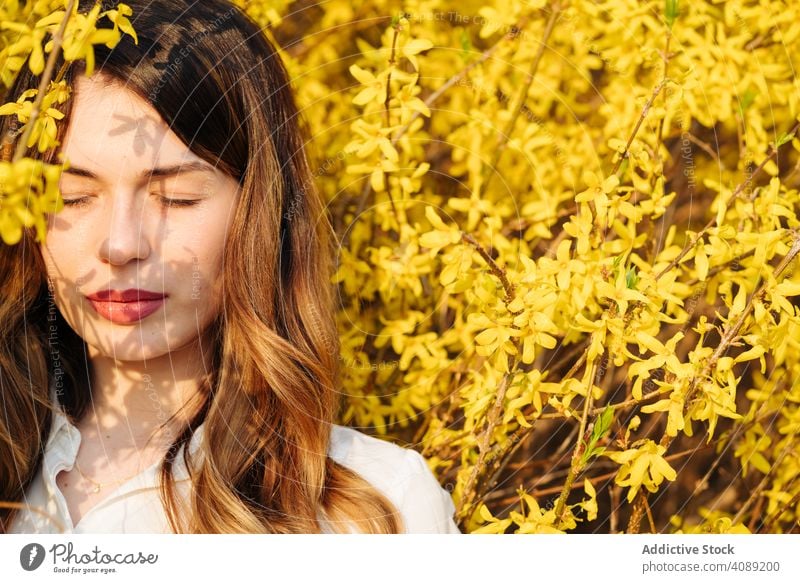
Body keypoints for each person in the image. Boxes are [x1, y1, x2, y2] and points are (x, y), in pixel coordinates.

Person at [0, 0, 460, 534]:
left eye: (175, 197)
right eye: (73, 197)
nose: (121, 245)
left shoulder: (375, 512)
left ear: (259, 212)